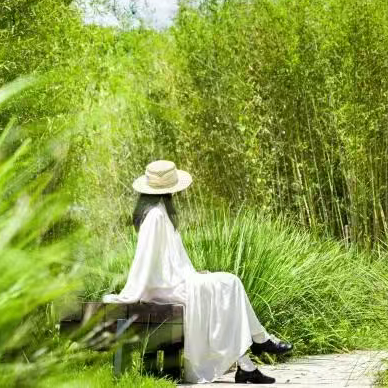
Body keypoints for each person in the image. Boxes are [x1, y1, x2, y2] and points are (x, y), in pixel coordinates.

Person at [104, 160, 293, 384]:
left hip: (175, 283)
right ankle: (261, 341)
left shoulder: (160, 213)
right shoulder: (155, 216)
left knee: (227, 286)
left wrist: (193, 275)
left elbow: (171, 261)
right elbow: (144, 260)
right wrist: (131, 294)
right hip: (166, 289)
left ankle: (247, 365)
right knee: (230, 283)